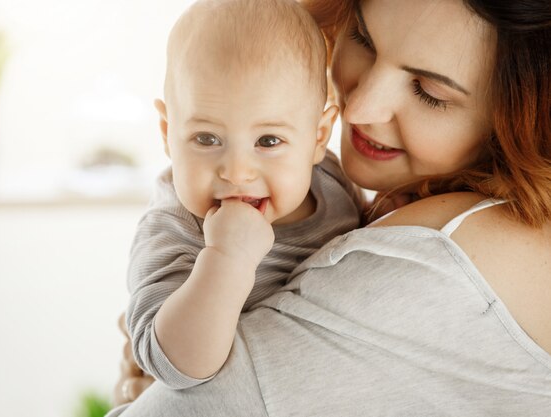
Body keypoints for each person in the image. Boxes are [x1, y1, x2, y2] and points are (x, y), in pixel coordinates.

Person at [109, 0, 551, 415]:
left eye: (429, 91)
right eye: (363, 38)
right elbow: (165, 359)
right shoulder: (179, 224)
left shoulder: (338, 189)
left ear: (516, 121)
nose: (356, 109)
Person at [124, 0, 363, 392]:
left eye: (268, 141)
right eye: (206, 138)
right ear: (168, 133)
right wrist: (227, 261)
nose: (236, 172)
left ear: (318, 137)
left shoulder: (330, 181)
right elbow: (170, 366)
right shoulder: (173, 228)